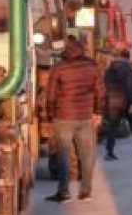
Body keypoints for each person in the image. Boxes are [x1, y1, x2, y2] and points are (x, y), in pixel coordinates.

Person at [44, 36, 104, 203]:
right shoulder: (92, 66)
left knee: (63, 155)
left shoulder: (59, 68)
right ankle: (86, 192)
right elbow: (101, 92)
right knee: (87, 155)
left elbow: (50, 96)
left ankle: (64, 193)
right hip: (85, 117)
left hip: (63, 117)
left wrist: (50, 115)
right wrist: (98, 112)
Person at [104, 48, 132, 160]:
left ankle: (109, 152)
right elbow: (130, 85)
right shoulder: (127, 68)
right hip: (126, 101)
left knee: (112, 127)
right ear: (127, 57)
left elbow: (106, 85)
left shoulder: (110, 68)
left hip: (114, 101)